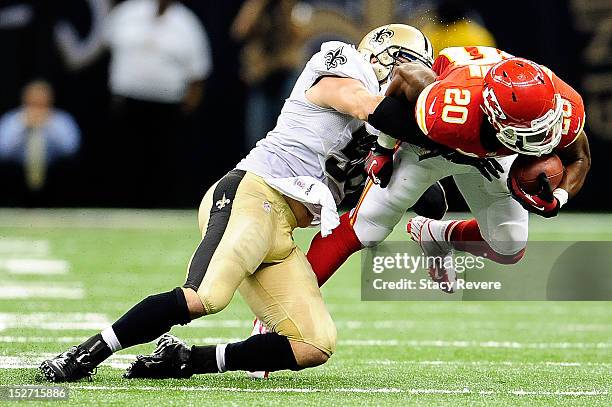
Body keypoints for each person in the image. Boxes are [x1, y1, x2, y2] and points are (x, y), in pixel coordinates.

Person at [40, 24, 446, 382]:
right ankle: (87, 352)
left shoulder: (389, 135)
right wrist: (432, 128)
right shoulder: (345, 65)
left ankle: (186, 360)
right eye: (409, 74)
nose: (412, 91)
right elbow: (368, 107)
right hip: (254, 194)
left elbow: (431, 200)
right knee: (205, 297)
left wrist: (427, 155)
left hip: (283, 230)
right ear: (385, 58)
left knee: (313, 343)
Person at [306, 46, 590, 295]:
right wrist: (384, 146)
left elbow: (579, 158)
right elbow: (404, 77)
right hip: (431, 145)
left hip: (495, 154)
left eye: (543, 127)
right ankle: (280, 311)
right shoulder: (449, 106)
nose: (540, 142)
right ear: (495, 116)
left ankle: (437, 235)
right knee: (367, 228)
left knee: (509, 244)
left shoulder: (562, 103)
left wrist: (558, 199)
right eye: (528, 132)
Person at [103, 0, 212, 207]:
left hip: (167, 108)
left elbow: (199, 73)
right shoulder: (127, 13)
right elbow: (106, 48)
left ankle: (163, 206)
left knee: (163, 164)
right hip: (128, 104)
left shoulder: (186, 23)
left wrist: (187, 112)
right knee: (125, 160)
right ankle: (122, 205)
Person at [0, 80, 80, 194]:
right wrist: (22, 126)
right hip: (16, 176)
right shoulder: (12, 120)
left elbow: (70, 150)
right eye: (33, 102)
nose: (37, 106)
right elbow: (3, 152)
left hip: (54, 176)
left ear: (50, 100)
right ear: (25, 99)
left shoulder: (62, 120)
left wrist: (49, 124)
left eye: (41, 102)